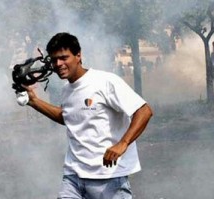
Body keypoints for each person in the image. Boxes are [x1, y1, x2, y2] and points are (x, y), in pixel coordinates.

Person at [22, 32, 153, 199]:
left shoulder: (105, 82)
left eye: (64, 58)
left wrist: (123, 143)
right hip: (73, 177)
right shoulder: (66, 90)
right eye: (54, 60)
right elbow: (69, 117)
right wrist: (34, 102)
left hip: (108, 178)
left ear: (78, 55)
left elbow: (144, 110)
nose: (58, 64)